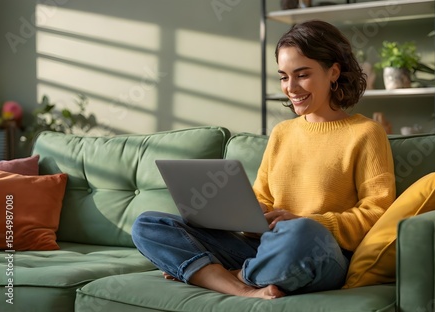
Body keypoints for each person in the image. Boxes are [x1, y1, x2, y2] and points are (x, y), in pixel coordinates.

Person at [132, 20, 396, 299]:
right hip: (264, 249)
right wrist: (249, 213)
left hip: (318, 251)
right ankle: (244, 286)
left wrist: (305, 220)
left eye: (302, 75)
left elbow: (377, 215)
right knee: (148, 225)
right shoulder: (283, 132)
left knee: (302, 233)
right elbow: (265, 199)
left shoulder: (366, 133)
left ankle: (217, 276)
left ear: (333, 72)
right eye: (283, 76)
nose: (291, 87)